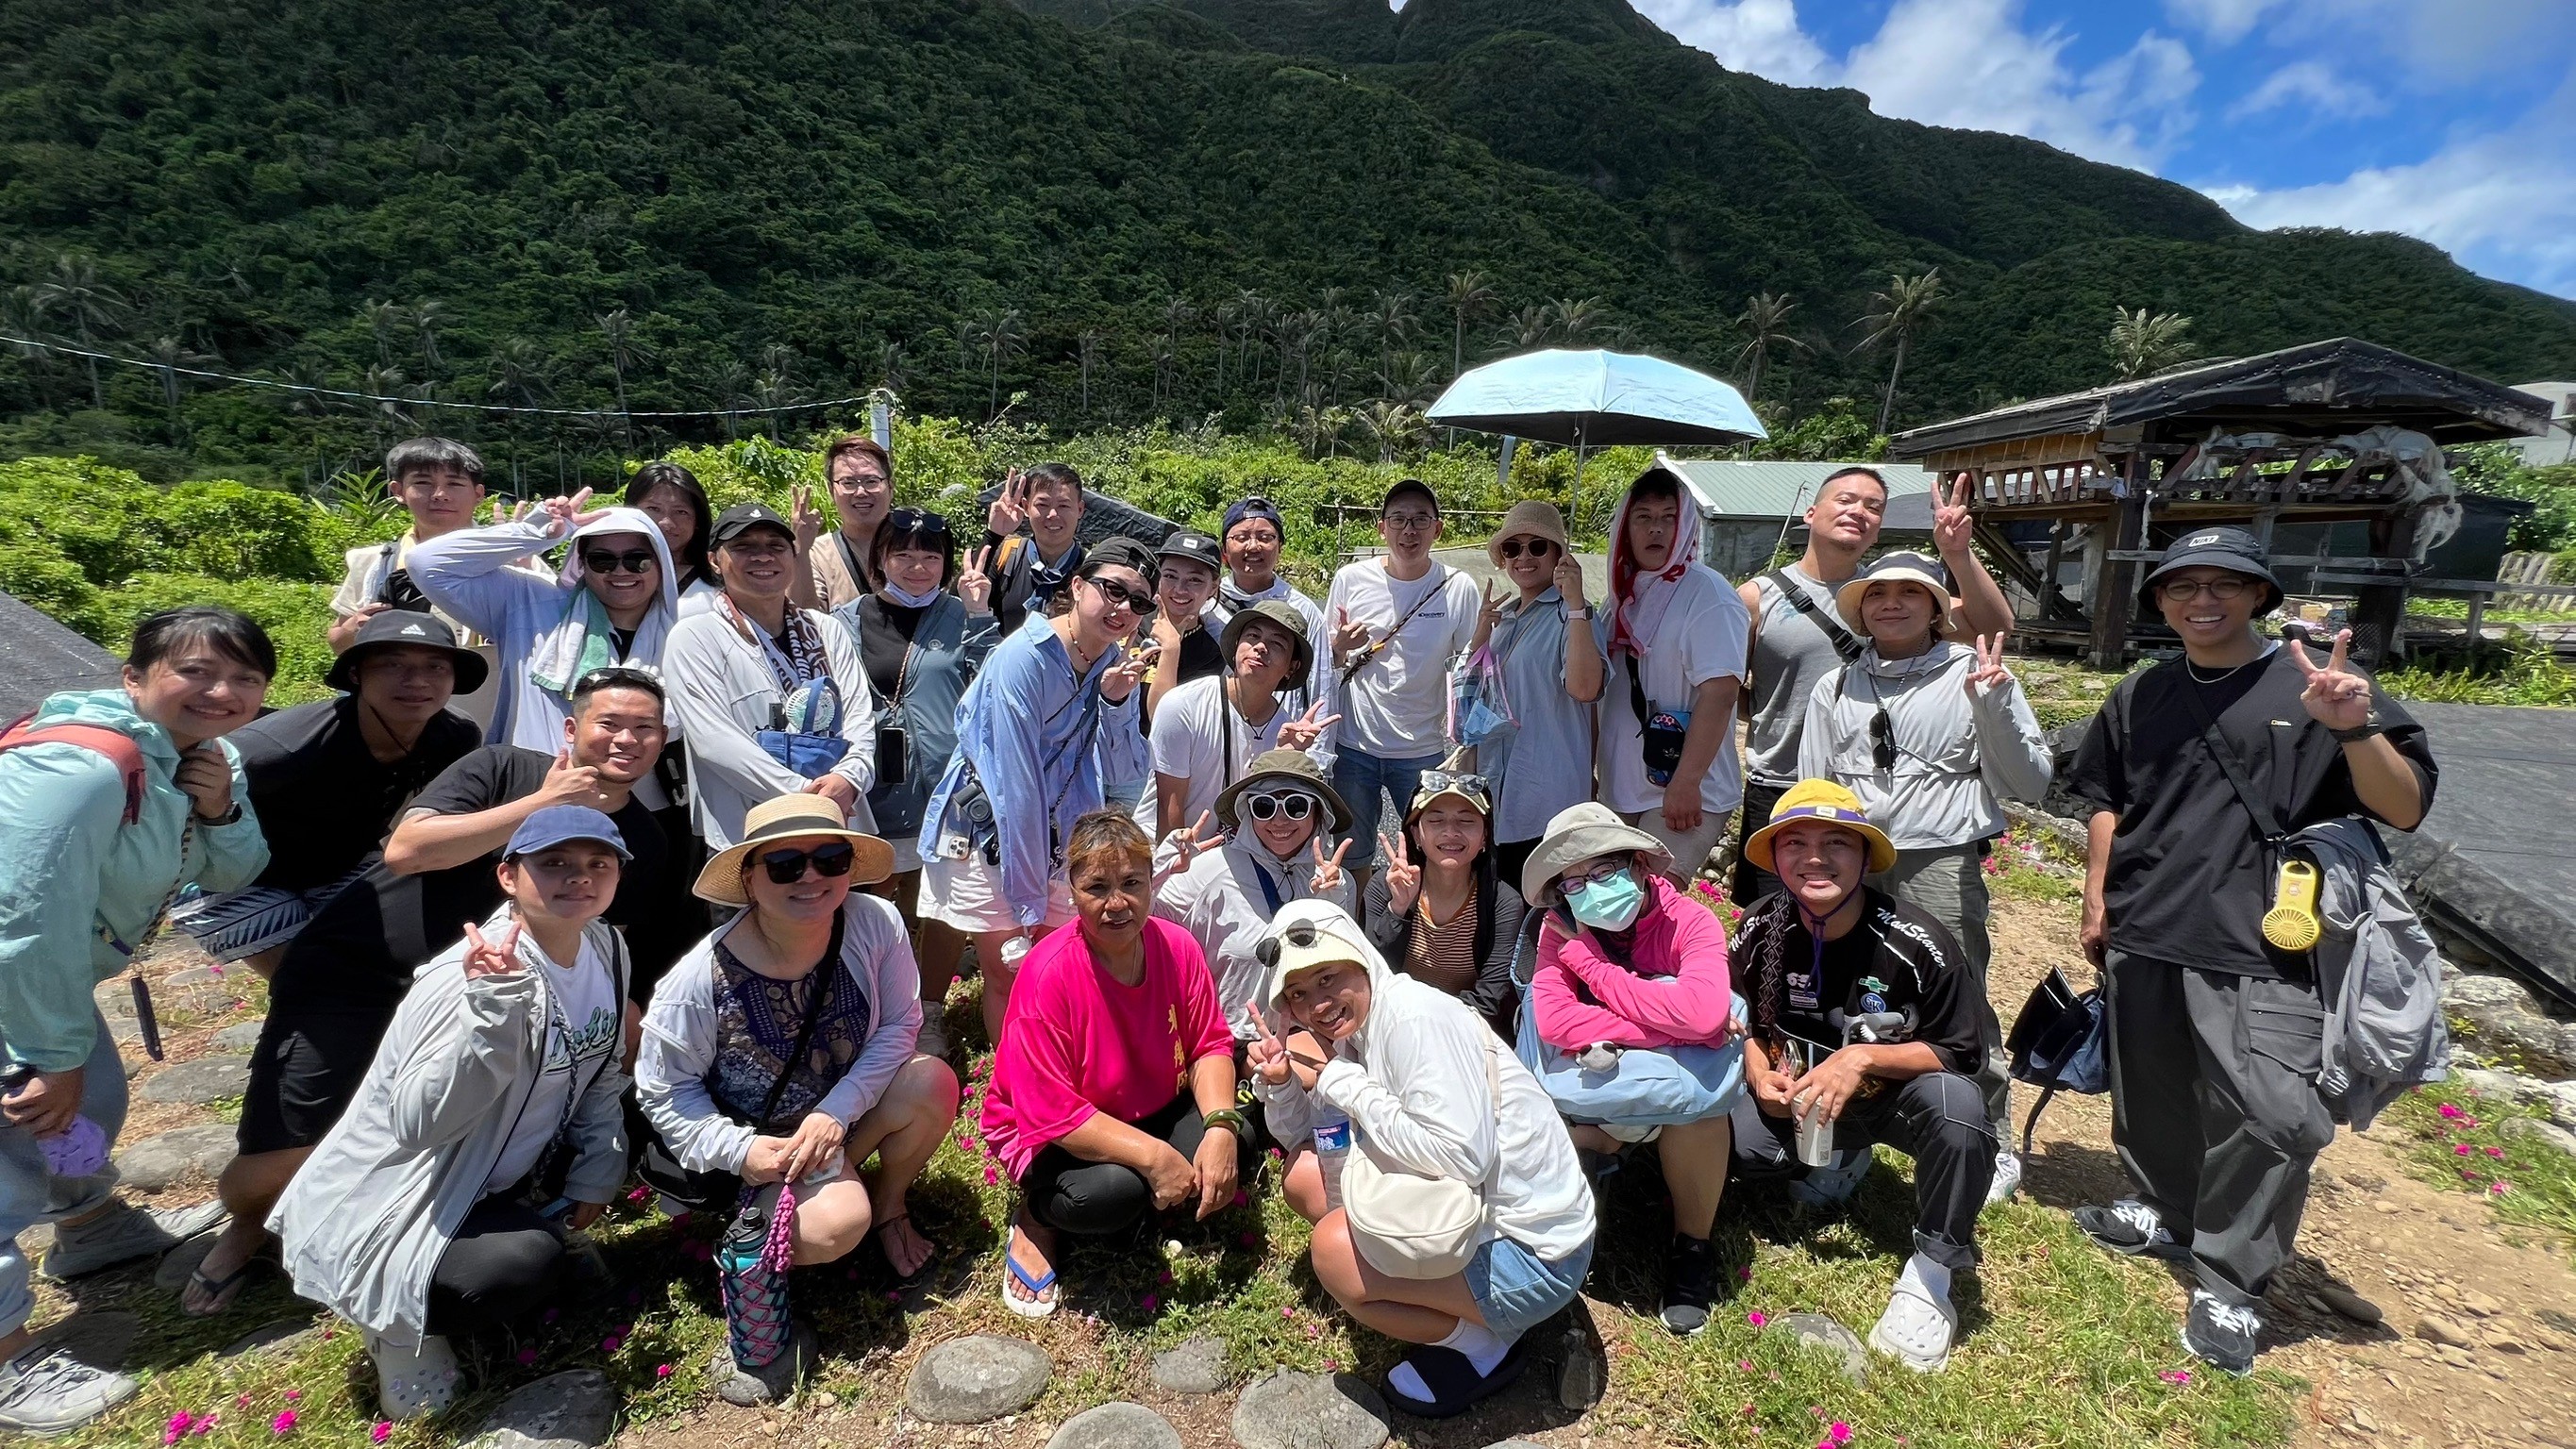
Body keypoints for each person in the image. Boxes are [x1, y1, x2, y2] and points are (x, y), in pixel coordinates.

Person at [190, 669, 685, 1317]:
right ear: (573, 728)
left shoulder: (643, 839)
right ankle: (249, 1231)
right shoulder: (503, 766)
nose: (626, 739)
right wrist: (544, 803)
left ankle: (444, 1216)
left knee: (529, 1083)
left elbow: (601, 938)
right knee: (276, 1164)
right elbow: (407, 850)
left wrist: (617, 1019)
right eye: (610, 723)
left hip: (486, 1002)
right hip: (363, 974)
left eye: (644, 728)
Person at [2067, 526, 2436, 1375]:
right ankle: (2165, 1207)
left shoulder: (2314, 686)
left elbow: (2407, 807)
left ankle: (2231, 1281)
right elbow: (2105, 797)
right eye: (2182, 586)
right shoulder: (2141, 694)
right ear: (2160, 601)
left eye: (2225, 584)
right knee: (2151, 1087)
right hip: (2148, 923)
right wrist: (2096, 894)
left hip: (2270, 938)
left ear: (2260, 597)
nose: (2204, 600)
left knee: (2276, 1114)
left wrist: (2352, 729)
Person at [271, 807, 636, 1422]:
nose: (580, 877)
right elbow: (417, 1125)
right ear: (507, 876)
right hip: (407, 1194)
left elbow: (600, 1067)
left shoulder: (607, 946)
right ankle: (394, 1322)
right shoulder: (466, 978)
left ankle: (523, 1225)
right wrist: (493, 1022)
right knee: (514, 1268)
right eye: (554, 863)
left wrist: (599, 1166)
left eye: (598, 863)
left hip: (496, 1169)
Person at [0, 608, 270, 1434]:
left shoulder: (200, 759)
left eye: (244, 679)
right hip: (19, 970)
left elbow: (239, 870)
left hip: (58, 973)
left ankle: (87, 1227)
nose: (221, 692)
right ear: (135, 676)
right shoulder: (81, 766)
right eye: (196, 671)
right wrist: (48, 1050)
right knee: (13, 1151)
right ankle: (6, 1369)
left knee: (94, 1098)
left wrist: (221, 809)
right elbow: (22, 918)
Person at [637, 797, 962, 1403]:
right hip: (758, 1150)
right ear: (750, 881)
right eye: (785, 864)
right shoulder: (696, 982)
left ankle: (888, 1205)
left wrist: (833, 1113)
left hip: (836, 1121)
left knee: (932, 1081)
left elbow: (900, 1025)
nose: (812, 877)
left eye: (830, 859)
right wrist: (742, 1152)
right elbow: (663, 1091)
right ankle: (751, 1241)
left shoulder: (874, 922)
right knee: (840, 1224)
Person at [1248, 900, 1596, 1419]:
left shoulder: (1413, 1018)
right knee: (1305, 1174)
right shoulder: (1359, 1031)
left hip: (1538, 1256)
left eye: (1327, 978)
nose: (1317, 1004)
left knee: (1333, 1253)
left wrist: (1350, 1086)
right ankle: (1443, 1292)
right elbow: (1310, 1134)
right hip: (1487, 1211)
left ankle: (1487, 1345)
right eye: (1298, 995)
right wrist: (1281, 1085)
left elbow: (1462, 1157)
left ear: (1360, 957)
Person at [1798, 550, 2049, 1204]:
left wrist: (1991, 707)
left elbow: (2030, 781)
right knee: (1850, 987)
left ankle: (1984, 1133)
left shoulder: (1977, 672)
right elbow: (1814, 783)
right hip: (1854, 853)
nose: (1893, 604)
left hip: (1940, 854)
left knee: (1956, 989)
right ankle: (1851, 1133)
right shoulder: (1839, 684)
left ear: (1939, 607)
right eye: (1878, 594)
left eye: (1912, 593)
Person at [1727, 780, 1999, 1374]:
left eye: (1837, 843)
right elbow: (1740, 1016)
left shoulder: (1917, 939)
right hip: (1800, 1101)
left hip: (1892, 1101)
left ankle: (1932, 1273)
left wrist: (1863, 1058)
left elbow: (1964, 1049)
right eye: (1793, 842)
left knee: (1958, 1109)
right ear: (1773, 857)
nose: (1815, 858)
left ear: (1865, 857)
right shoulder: (1756, 926)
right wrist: (1755, 1067)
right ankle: (1838, 1160)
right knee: (1742, 1154)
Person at [980, 812, 1245, 1319]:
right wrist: (1153, 1158)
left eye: (1131, 883)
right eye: (1097, 887)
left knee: (1237, 1140)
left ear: (1151, 883)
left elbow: (1210, 1043)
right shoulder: (1047, 974)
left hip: (1150, 1106)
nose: (1117, 903)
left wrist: (1220, 1127)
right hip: (1053, 1132)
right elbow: (1052, 1113)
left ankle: (1161, 1188)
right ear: (1072, 891)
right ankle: (1037, 1218)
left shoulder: (1177, 946)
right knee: (1108, 1198)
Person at [919, 538, 1156, 1043]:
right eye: (1113, 590)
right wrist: (1028, 899)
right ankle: (1016, 1096)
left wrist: (1116, 702)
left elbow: (1126, 766)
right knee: (1007, 971)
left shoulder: (1109, 661)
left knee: (1058, 964)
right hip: (993, 835)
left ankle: (1058, 1068)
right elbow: (1014, 785)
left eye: (1139, 601)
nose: (1123, 608)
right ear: (1077, 586)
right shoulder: (1022, 659)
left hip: (1059, 837)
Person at [1734, 471, 2012, 903]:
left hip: (1875, 791)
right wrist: (1775, 714)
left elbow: (1993, 628)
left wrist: (1958, 554)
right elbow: (1724, 684)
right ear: (1811, 512)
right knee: (1782, 923)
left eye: (1873, 507)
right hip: (1784, 782)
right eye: (1846, 500)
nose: (1858, 512)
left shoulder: (1893, 594)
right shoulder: (1757, 596)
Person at [1522, 803, 1737, 1335]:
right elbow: (1554, 1021)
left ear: (1639, 865)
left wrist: (1593, 972)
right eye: (1572, 883)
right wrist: (1684, 1025)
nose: (1589, 891)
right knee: (1561, 1132)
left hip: (1663, 1077)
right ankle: (1586, 1194)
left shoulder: (1691, 920)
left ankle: (1693, 1246)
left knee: (1702, 1113)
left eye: (1602, 872)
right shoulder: (1559, 929)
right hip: (1619, 1074)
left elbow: (1704, 1008)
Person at [172, 612, 484, 976]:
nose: (417, 681)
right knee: (307, 983)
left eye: (436, 668)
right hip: (235, 878)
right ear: (356, 675)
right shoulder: (276, 750)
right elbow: (178, 810)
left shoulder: (456, 736)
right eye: (392, 665)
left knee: (399, 963)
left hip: (341, 865)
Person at [832, 507, 998, 1057]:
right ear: (880, 557)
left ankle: (927, 1013)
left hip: (948, 793)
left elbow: (991, 689)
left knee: (941, 906)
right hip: (872, 789)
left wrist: (979, 616)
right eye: (903, 552)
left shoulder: (961, 614)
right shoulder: (845, 620)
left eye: (932, 554)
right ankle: (875, 1009)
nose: (918, 565)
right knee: (874, 900)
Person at [408, 487, 683, 767]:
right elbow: (428, 563)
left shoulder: (684, 633)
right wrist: (537, 532)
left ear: (661, 563)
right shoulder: (528, 602)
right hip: (528, 789)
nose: (621, 571)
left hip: (639, 800)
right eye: (603, 560)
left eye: (638, 560)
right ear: (581, 563)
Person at [664, 502, 880, 849]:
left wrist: (850, 777)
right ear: (714, 560)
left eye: (775, 546)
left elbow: (858, 717)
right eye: (743, 547)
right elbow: (714, 740)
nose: (762, 557)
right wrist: (806, 795)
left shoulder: (826, 630)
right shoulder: (694, 637)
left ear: (793, 556)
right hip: (748, 833)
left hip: (837, 823)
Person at [1594, 472, 1748, 884]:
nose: (1656, 528)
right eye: (1642, 517)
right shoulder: (1620, 597)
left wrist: (1686, 782)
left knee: (1649, 906)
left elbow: (1721, 693)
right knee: (1610, 907)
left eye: (1668, 517)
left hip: (1681, 790)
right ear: (1625, 527)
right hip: (1623, 785)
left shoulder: (1707, 594)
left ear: (1686, 527)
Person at [1325, 480, 1482, 881]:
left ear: (1438, 529)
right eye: (1398, 520)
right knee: (1352, 854)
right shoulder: (1350, 579)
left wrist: (1470, 742)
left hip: (1422, 748)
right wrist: (1340, 646)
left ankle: (1419, 935)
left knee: (1428, 857)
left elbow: (1472, 668)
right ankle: (1358, 933)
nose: (1408, 530)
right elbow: (1329, 661)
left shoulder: (1457, 587)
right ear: (1382, 528)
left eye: (1419, 520)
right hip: (1353, 745)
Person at [1150, 748, 1357, 1050]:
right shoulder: (1210, 868)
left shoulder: (1335, 881)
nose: (1280, 820)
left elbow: (1342, 977)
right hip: (1220, 1041)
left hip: (1303, 1039)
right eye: (1264, 806)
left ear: (1318, 813)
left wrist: (1332, 906)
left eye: (1296, 806)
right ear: (1248, 813)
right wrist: (1158, 870)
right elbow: (1137, 925)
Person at [1456, 501, 1602, 890]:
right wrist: (1481, 635)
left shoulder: (1575, 615)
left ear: (1558, 555)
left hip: (1548, 795)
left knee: (1547, 917)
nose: (1524, 557)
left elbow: (1586, 689)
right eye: (1512, 548)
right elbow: (1470, 699)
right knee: (1499, 913)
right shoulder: (1503, 619)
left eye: (1538, 546)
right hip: (1496, 792)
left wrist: (1575, 605)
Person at [328, 436, 507, 726]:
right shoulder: (373, 562)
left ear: (478, 494)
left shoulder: (515, 562)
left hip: (493, 710)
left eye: (454, 484)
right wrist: (355, 629)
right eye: (423, 483)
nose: (439, 494)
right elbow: (337, 642)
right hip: (396, 721)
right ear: (398, 491)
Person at [1140, 599, 1335, 839]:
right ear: (1236, 647)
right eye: (1253, 636)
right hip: (1160, 846)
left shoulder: (1287, 732)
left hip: (1229, 853)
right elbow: (1169, 807)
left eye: (1277, 643)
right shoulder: (1182, 704)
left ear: (1291, 667)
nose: (1261, 647)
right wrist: (1177, 866)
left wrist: (1283, 755)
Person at [1360, 768, 1525, 1041]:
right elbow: (1371, 977)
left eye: (1466, 821)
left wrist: (1430, 1028)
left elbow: (1489, 997)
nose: (1451, 832)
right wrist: (1398, 910)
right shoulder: (1385, 886)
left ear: (1485, 837)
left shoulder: (1502, 902)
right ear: (1416, 835)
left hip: (1467, 1030)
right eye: (1436, 821)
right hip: (1393, 1024)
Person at [1204, 497, 1330, 724]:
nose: (1253, 546)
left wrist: (1316, 756)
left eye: (1265, 538)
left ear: (1280, 548)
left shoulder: (1302, 609)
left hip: (1281, 737)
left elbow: (1321, 686)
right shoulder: (1205, 604)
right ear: (1224, 551)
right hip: (1212, 732)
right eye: (1241, 538)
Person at [979, 462, 1089, 635]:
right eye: (1043, 505)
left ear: (1080, 509)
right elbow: (961, 600)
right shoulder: (1006, 555)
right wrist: (994, 535)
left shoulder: (1092, 570)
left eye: (1064, 506)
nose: (1053, 515)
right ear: (1026, 506)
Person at [1142, 529, 1228, 725]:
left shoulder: (1211, 655)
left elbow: (1162, 720)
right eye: (1170, 576)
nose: (1180, 589)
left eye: (1195, 580)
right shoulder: (1130, 623)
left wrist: (1172, 649)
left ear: (1213, 588)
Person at [803, 435, 897, 611]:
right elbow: (805, 622)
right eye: (848, 482)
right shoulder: (815, 554)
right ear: (832, 490)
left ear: (890, 487)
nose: (861, 492)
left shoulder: (918, 544)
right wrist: (800, 552)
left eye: (871, 481)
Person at [625, 459, 720, 615]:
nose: (666, 523)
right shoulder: (606, 572)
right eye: (653, 509)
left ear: (697, 520)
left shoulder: (721, 584)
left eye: (680, 511)